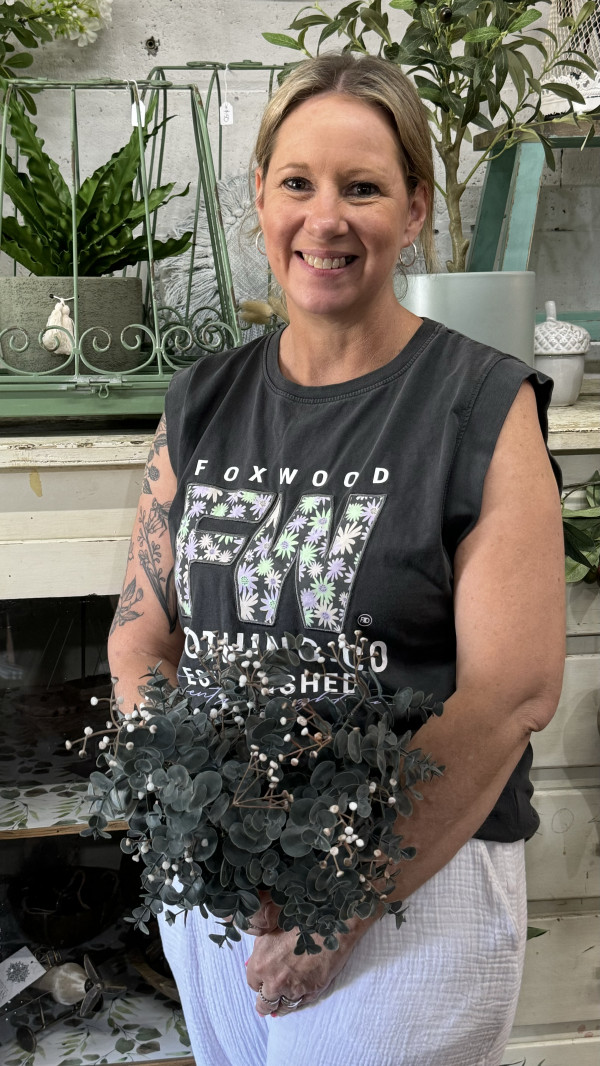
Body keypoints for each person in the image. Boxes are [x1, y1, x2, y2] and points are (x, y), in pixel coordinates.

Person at [108, 53, 565, 1066]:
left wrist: (339, 901)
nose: (326, 219)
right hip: (225, 881)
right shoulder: (203, 398)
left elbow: (513, 691)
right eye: (298, 182)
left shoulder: (479, 403)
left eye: (362, 187)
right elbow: (142, 636)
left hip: (413, 876)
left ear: (414, 208)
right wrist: (188, 817)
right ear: (260, 197)